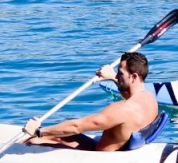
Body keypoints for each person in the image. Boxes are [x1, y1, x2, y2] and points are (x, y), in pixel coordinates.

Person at [22, 52, 159, 151]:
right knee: (59, 135)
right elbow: (130, 97)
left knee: (34, 141)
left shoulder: (122, 109)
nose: (117, 76)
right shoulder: (149, 99)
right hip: (114, 149)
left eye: (120, 73)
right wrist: (112, 77)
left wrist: (39, 131)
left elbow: (77, 126)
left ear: (134, 76)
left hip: (98, 157)